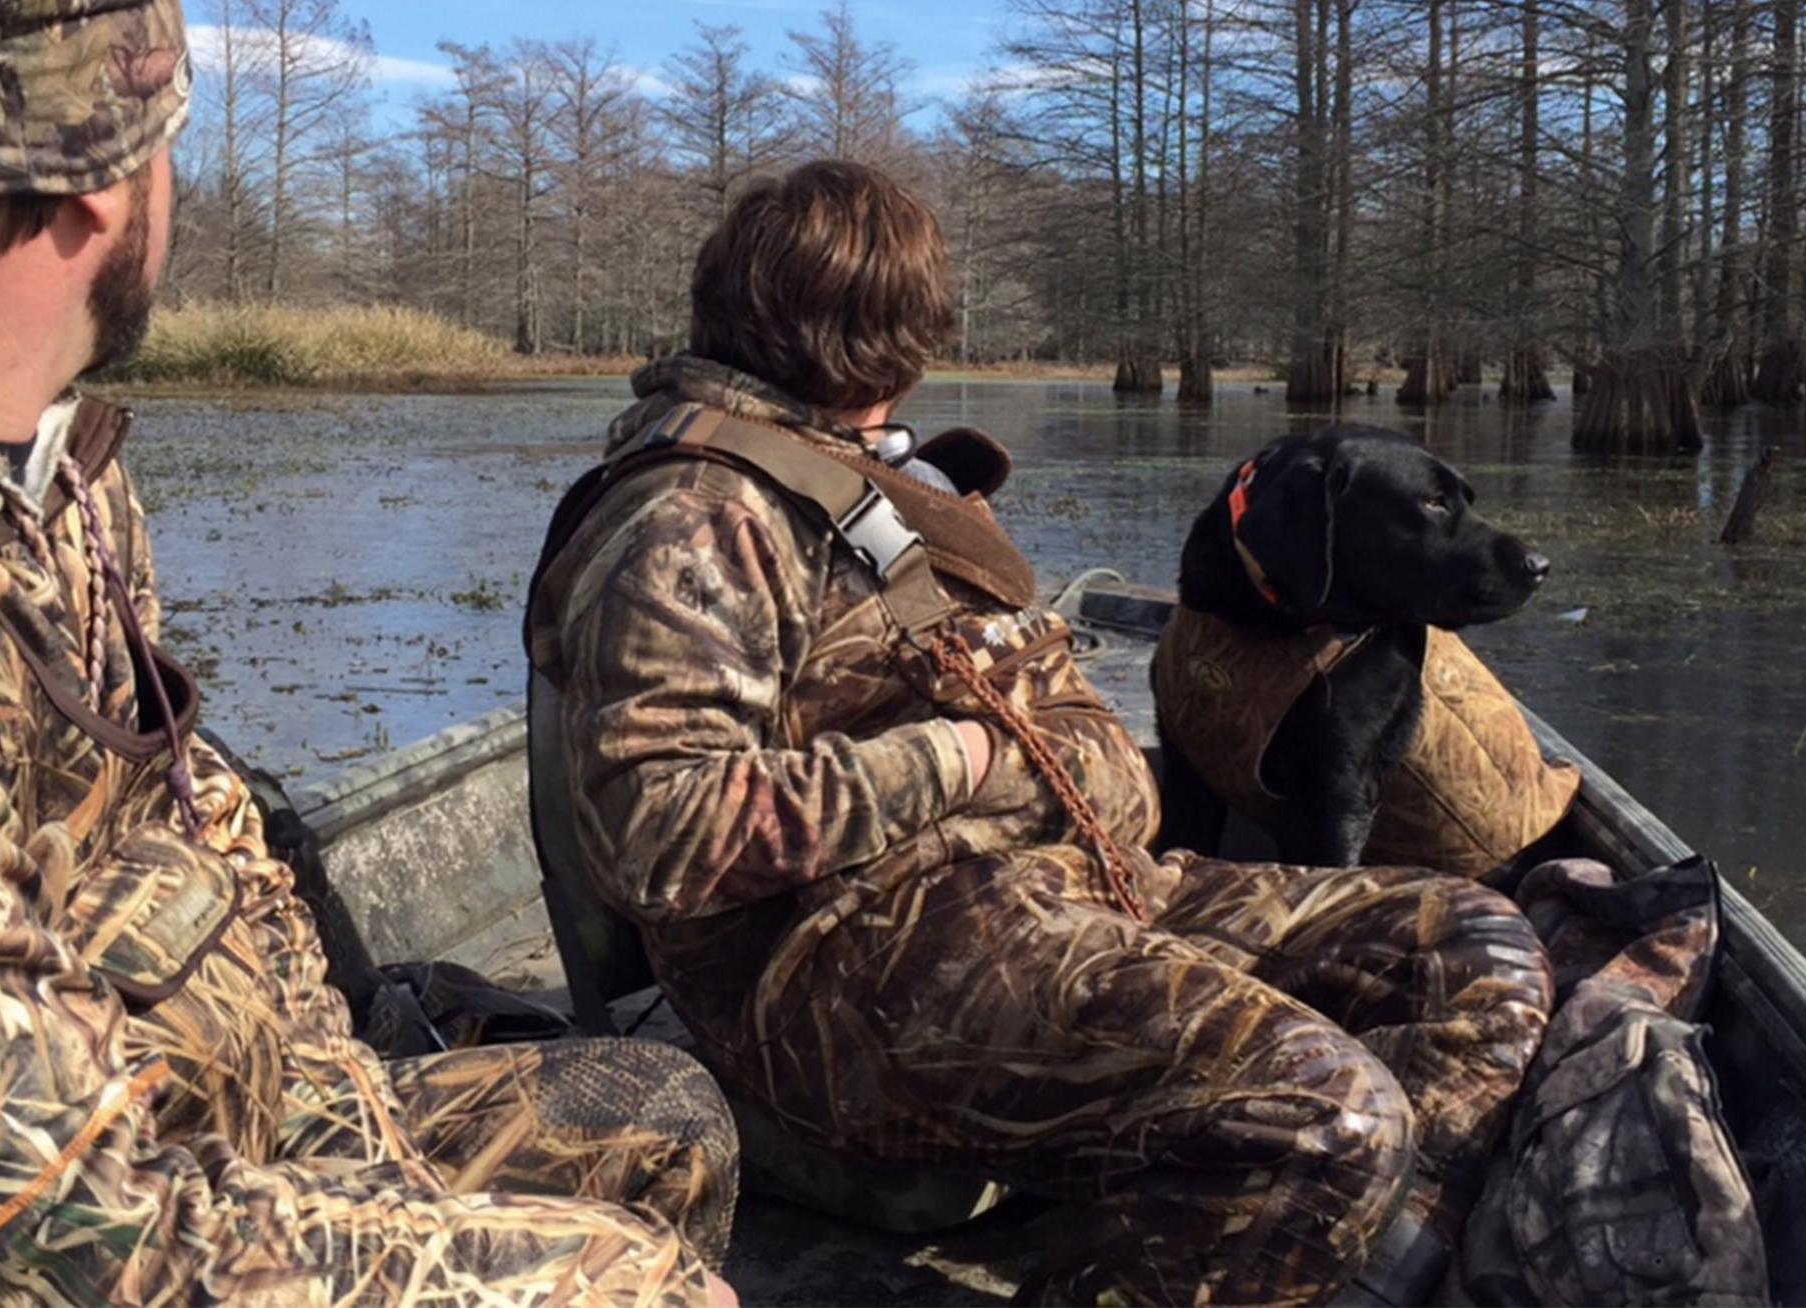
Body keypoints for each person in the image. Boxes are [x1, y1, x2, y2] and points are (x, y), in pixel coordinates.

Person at [0, 0, 737, 1303]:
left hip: (211, 1128)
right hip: (93, 1221)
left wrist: (354, 1157)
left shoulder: (51, 479)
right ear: (103, 187)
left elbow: (215, 855)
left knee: (651, 1121)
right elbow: (46, 1251)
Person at [529, 159, 1556, 1306]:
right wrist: (964, 758)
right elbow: (655, 836)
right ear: (894, 333)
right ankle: (1273, 1214)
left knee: (1474, 947)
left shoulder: (865, 483)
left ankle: (1315, 1260)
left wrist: (1061, 762)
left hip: (1056, 889)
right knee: (1327, 1113)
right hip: (842, 972)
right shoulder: (695, 517)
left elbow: (1076, 750)